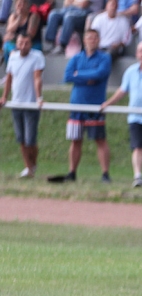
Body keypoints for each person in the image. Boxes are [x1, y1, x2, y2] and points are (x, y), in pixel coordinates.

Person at [100, 40, 142, 187]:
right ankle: (137, 176)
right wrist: (108, 103)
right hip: (136, 117)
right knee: (138, 146)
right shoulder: (131, 71)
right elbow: (122, 90)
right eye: (141, 51)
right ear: (137, 53)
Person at [49, 29, 110, 183]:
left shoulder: (105, 58)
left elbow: (100, 74)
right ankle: (72, 172)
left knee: (100, 139)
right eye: (89, 37)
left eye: (95, 38)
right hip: (77, 105)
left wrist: (79, 75)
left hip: (95, 106)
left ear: (99, 40)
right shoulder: (76, 58)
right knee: (75, 140)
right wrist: (87, 77)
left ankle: (105, 174)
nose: (92, 40)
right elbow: (68, 76)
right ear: (84, 40)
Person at [0, 32, 44, 178]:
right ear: (17, 44)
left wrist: (39, 98)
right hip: (16, 103)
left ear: (31, 44)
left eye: (26, 43)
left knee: (30, 140)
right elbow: (9, 78)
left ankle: (33, 164)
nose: (23, 46)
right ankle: (28, 168)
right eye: (20, 43)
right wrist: (4, 97)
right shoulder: (13, 57)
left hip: (30, 104)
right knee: (21, 139)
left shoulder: (37, 56)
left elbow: (37, 78)